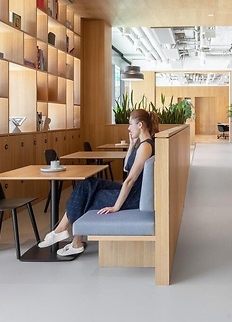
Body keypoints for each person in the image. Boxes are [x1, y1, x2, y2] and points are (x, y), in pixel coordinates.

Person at [37, 108, 158, 256]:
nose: (128, 128)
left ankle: (69, 237)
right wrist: (132, 145)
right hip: (133, 191)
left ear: (140, 125)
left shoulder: (146, 147)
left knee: (90, 196)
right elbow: (126, 168)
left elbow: (130, 180)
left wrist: (116, 207)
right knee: (87, 184)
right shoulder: (142, 144)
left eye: (130, 124)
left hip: (134, 196)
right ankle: (65, 234)